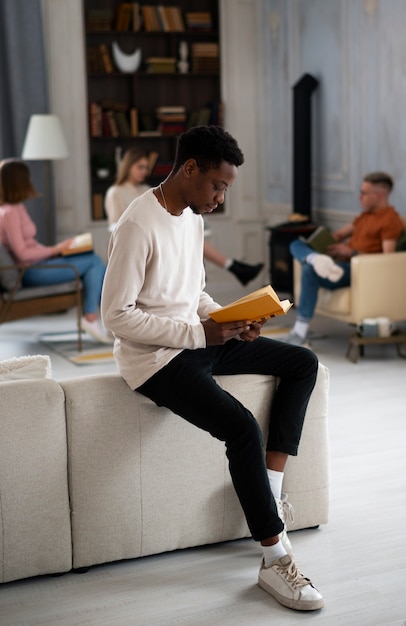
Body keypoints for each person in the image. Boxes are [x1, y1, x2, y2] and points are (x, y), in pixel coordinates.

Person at [101, 125, 324, 612]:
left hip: (197, 339)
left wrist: (228, 317)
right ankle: (273, 557)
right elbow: (115, 317)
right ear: (189, 168)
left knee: (303, 362)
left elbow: (191, 294)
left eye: (227, 188)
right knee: (242, 427)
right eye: (217, 185)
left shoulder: (191, 215)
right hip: (154, 360)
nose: (221, 197)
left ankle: (270, 492)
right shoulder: (137, 223)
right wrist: (201, 334)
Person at [105, 146, 264, 286]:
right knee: (191, 240)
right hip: (144, 240)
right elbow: (116, 226)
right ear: (128, 166)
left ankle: (227, 270)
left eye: (146, 167)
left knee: (191, 238)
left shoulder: (146, 188)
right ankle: (233, 266)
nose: (144, 172)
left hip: (166, 232)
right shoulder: (116, 193)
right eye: (140, 167)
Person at [285, 171, 404, 346]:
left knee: (310, 271)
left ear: (379, 195)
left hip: (355, 271)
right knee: (296, 244)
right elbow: (340, 234)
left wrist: (351, 253)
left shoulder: (390, 220)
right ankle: (314, 258)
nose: (359, 196)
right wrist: (323, 243)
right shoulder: (365, 216)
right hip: (338, 263)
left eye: (364, 193)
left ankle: (299, 332)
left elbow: (386, 260)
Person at [0, 158, 111, 344]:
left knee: (96, 263)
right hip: (31, 272)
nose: (31, 181)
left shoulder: (17, 207)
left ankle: (97, 318)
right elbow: (22, 254)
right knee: (94, 263)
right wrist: (55, 250)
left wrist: (60, 249)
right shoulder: (9, 212)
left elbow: (31, 245)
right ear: (18, 181)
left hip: (41, 265)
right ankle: (93, 317)